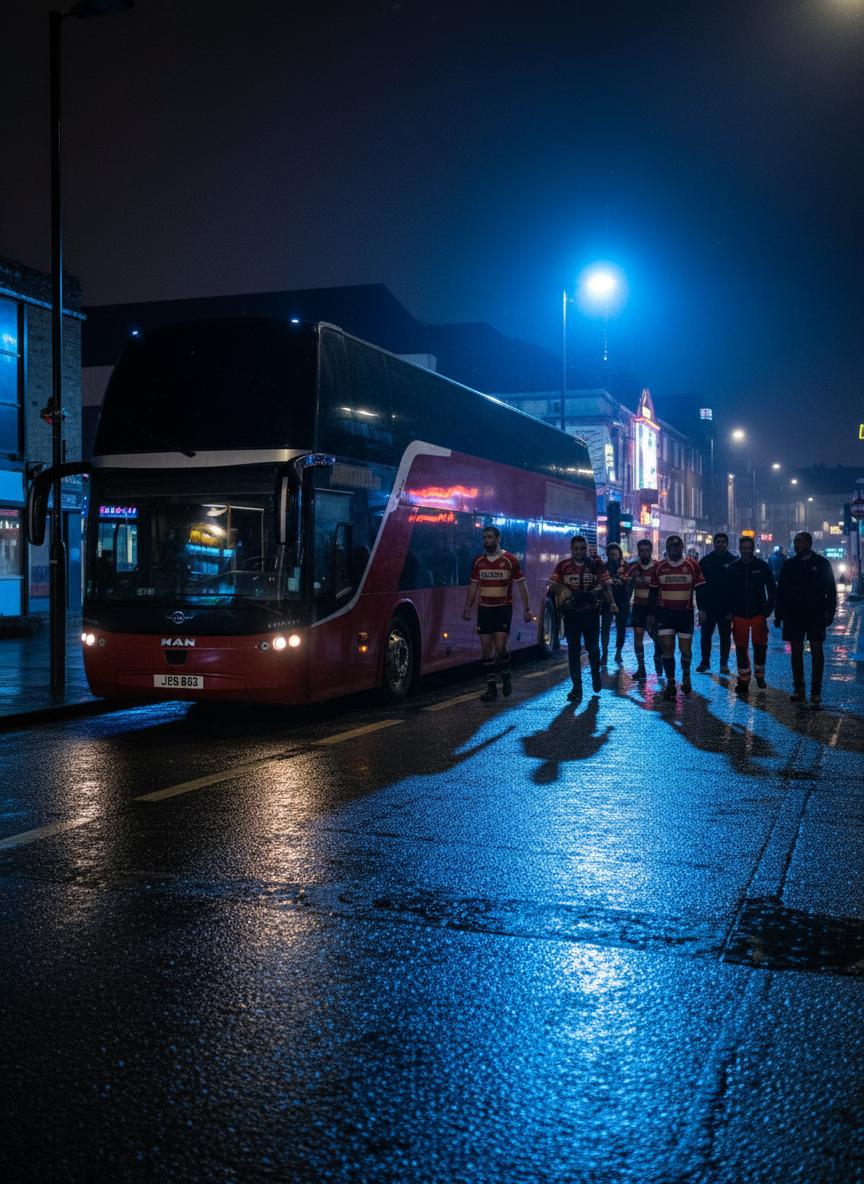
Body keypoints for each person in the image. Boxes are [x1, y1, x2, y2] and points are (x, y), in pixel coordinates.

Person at [463, 525, 532, 702]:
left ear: (498, 538)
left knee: (500, 647)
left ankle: (506, 675)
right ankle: (491, 687)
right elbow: (473, 586)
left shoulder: (510, 560)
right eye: (484, 538)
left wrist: (527, 608)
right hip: (484, 609)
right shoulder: (478, 562)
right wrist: (467, 607)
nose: (487, 541)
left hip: (503, 609)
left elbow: (521, 585)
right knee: (486, 647)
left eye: (490, 537)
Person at [549, 535, 617, 701]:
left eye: (583, 548)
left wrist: (613, 603)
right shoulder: (563, 566)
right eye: (576, 549)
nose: (580, 552)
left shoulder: (595, 565)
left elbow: (606, 585)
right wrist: (562, 589)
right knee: (573, 651)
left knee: (593, 649)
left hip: (591, 613)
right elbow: (552, 585)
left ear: (586, 549)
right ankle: (577, 688)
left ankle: (595, 675)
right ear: (571, 550)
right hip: (572, 615)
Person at [774, 531, 837, 706]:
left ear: (809, 544)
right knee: (796, 652)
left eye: (800, 542)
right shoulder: (789, 565)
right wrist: (778, 614)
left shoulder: (821, 563)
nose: (797, 546)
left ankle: (816, 691)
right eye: (795, 542)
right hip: (794, 615)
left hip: (815, 614)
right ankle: (799, 688)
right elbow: (781, 592)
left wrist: (830, 612)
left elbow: (830, 590)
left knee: (817, 651)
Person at [649, 533, 706, 700]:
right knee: (667, 649)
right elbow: (653, 592)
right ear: (667, 549)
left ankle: (686, 676)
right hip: (665, 614)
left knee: (685, 650)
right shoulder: (659, 567)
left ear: (682, 548)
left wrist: (702, 611)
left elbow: (701, 590)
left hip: (685, 614)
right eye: (671, 547)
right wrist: (651, 614)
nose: (674, 549)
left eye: (677, 546)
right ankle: (671, 682)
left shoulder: (692, 565)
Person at [725, 535, 776, 696]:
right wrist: (729, 610)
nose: (746, 551)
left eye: (748, 548)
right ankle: (743, 680)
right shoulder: (733, 567)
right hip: (739, 614)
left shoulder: (762, 566)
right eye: (743, 548)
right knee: (741, 648)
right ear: (739, 549)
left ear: (752, 549)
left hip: (758, 613)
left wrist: (769, 607)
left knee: (760, 646)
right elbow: (727, 591)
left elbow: (771, 587)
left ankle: (760, 676)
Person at [696, 532, 736, 674]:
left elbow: (735, 588)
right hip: (708, 607)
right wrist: (701, 609)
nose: (720, 544)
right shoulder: (706, 561)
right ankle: (705, 662)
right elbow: (699, 586)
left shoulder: (733, 561)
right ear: (714, 544)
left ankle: (723, 664)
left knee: (725, 637)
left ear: (727, 543)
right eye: (718, 541)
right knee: (705, 636)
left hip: (726, 608)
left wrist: (732, 610)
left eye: (723, 542)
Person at [626, 538, 663, 680]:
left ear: (651, 551)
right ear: (638, 551)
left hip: (654, 608)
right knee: (638, 638)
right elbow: (628, 589)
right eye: (642, 551)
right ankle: (641, 668)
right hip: (638, 607)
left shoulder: (658, 568)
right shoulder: (633, 568)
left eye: (647, 550)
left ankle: (658, 656)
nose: (644, 553)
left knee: (657, 639)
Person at [600, 542, 631, 666]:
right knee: (605, 628)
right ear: (607, 555)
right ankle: (605, 653)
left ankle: (618, 652)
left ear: (619, 554)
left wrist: (628, 598)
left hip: (622, 601)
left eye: (615, 554)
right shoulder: (603, 567)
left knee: (621, 628)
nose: (613, 556)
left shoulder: (626, 567)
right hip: (607, 601)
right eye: (611, 554)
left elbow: (630, 583)